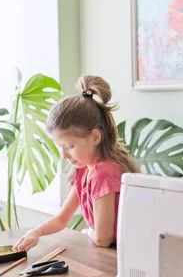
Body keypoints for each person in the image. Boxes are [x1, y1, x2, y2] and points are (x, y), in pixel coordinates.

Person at [12, 75, 139, 251]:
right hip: (112, 254)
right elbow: (62, 219)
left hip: (125, 256)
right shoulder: (83, 169)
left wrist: (88, 232)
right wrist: (35, 232)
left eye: (69, 146)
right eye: (60, 146)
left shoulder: (103, 172)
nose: (63, 155)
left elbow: (103, 238)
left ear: (95, 137)